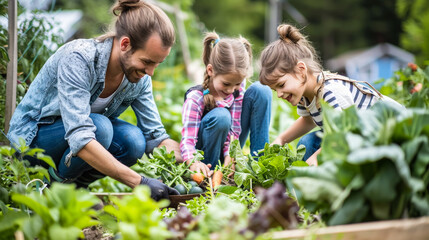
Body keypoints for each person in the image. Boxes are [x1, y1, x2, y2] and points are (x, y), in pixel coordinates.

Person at [7, 0, 180, 200]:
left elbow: (155, 137)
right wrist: (139, 182)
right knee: (101, 128)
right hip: (31, 143)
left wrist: (190, 159)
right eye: (147, 62)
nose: (150, 72)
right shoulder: (79, 58)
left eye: (157, 64)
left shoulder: (139, 78)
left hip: (77, 142)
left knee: (133, 141)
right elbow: (81, 136)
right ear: (125, 44)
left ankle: (76, 189)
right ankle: (56, 193)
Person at [259, 23, 401, 166]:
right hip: (357, 136)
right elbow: (308, 121)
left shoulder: (331, 91)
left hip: (388, 129)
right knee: (307, 143)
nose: (279, 94)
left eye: (281, 85)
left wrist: (315, 159)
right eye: (274, 90)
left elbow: (344, 133)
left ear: (301, 71)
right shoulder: (305, 95)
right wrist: (281, 140)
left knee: (315, 150)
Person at [180, 31, 272, 177]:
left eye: (237, 84)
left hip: (229, 148)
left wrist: (230, 155)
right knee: (222, 116)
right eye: (226, 83)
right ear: (210, 70)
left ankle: (259, 169)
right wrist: (192, 161)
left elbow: (235, 127)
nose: (231, 90)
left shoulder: (236, 90)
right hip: (204, 156)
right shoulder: (196, 98)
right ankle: (210, 175)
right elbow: (188, 140)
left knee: (262, 90)